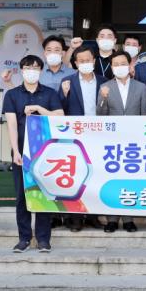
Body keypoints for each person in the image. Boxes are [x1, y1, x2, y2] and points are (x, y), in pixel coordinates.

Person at [2, 55, 64, 253]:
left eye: (36, 68)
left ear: (41, 71)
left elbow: (60, 116)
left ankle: (43, 239)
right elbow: (12, 124)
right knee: (22, 196)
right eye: (28, 68)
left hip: (45, 151)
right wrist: (15, 150)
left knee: (43, 193)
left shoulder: (49, 93)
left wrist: (39, 108)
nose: (32, 71)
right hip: (21, 151)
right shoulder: (12, 95)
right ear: (22, 70)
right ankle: (24, 238)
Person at [97, 51, 146, 233]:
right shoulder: (105, 87)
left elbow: (144, 115)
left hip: (134, 141)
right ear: (111, 67)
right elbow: (100, 116)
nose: (120, 67)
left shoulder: (140, 87)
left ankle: (128, 219)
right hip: (113, 141)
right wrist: (103, 98)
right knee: (113, 180)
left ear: (130, 65)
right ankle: (112, 219)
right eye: (116, 64)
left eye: (123, 63)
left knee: (130, 181)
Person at [58, 45, 107, 232]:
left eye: (88, 60)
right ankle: (76, 218)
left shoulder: (103, 81)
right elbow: (59, 109)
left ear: (94, 61)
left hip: (98, 135)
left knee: (95, 176)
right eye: (81, 61)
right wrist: (64, 94)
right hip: (75, 135)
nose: (85, 63)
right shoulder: (67, 81)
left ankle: (93, 217)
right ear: (76, 63)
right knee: (76, 176)